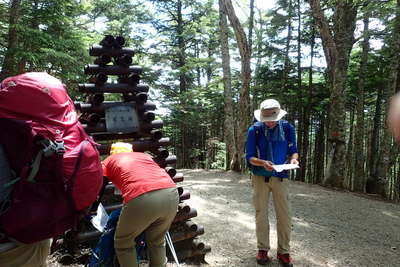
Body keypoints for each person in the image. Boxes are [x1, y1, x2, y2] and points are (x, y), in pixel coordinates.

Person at [102, 142, 179, 267]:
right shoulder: (144, 156)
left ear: (112, 153)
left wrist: (93, 204)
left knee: (123, 241)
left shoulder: (109, 160)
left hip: (142, 198)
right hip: (171, 193)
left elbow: (100, 184)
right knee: (157, 240)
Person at [245, 99, 299, 267]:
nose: (269, 122)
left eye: (272, 119)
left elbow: (293, 151)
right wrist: (263, 163)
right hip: (260, 177)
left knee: (284, 215)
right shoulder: (254, 130)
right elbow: (249, 157)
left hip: (281, 176)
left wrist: (294, 160)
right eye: (266, 119)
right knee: (261, 214)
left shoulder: (288, 128)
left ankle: (284, 251)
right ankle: (262, 249)